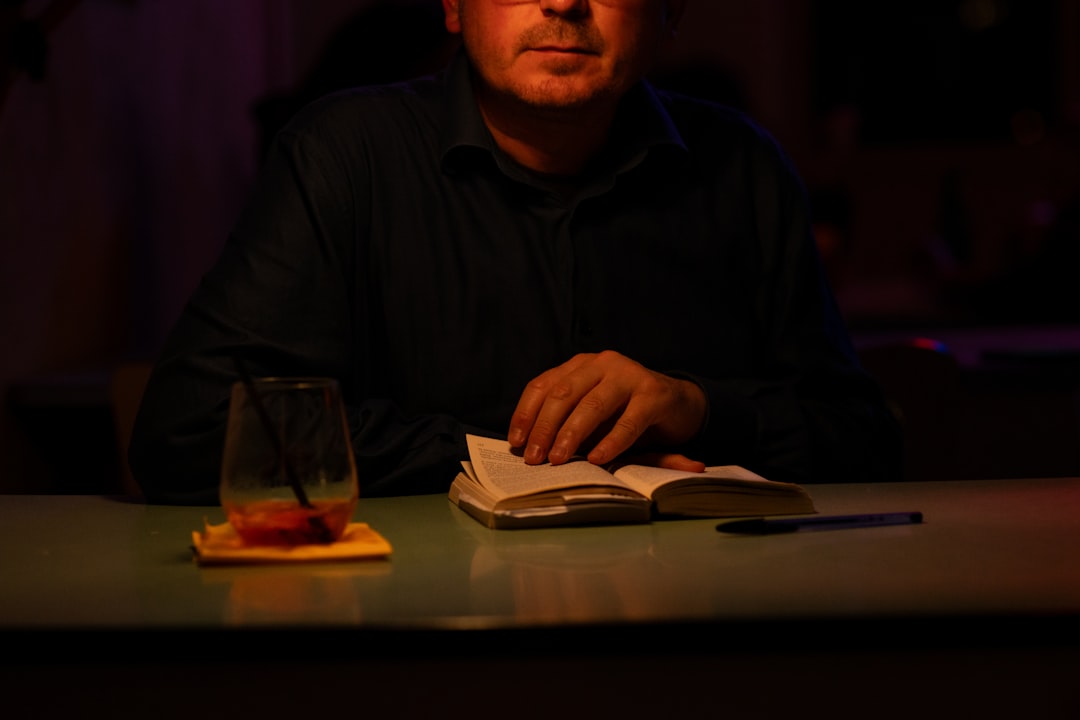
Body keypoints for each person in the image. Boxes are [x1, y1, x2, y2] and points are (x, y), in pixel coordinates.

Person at [130, 0, 902, 505]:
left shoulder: (745, 170)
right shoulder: (346, 157)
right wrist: (508, 458)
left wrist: (695, 407)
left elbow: (865, 444)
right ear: (454, 6)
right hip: (412, 639)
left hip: (690, 641)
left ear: (667, 10)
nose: (563, 2)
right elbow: (189, 432)